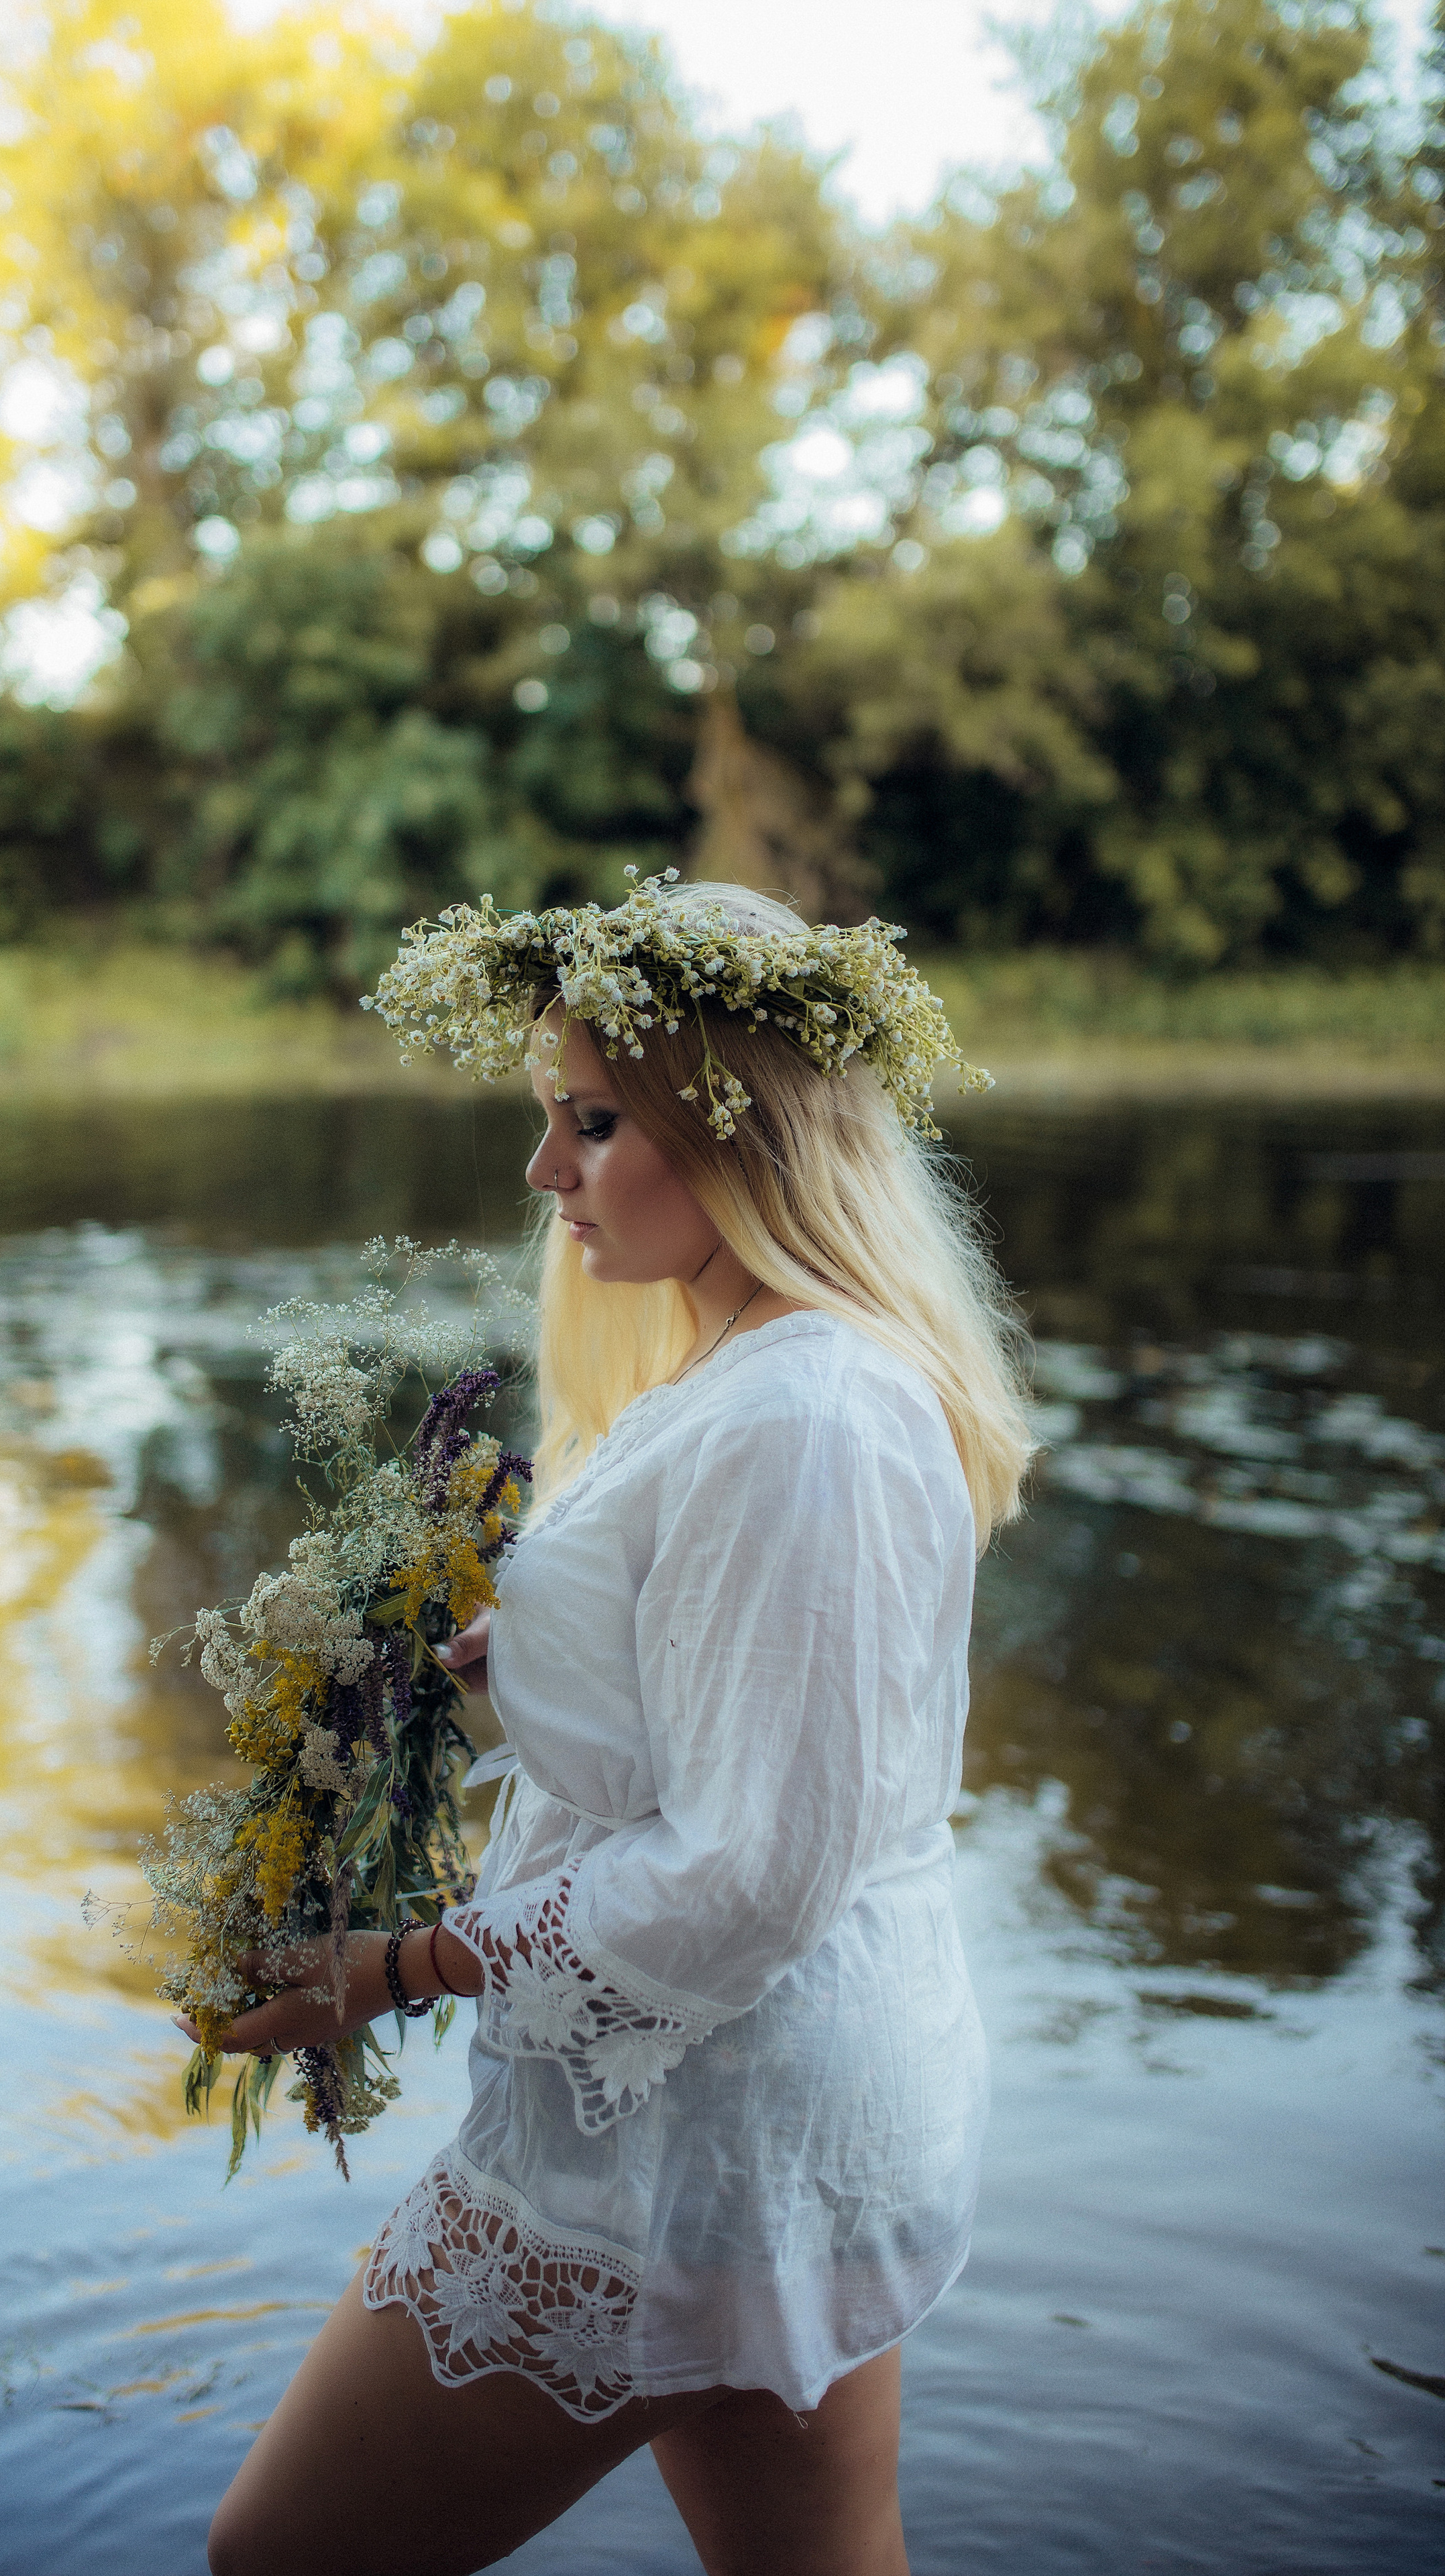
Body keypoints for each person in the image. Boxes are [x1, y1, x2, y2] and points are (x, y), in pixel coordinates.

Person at [183, 881, 1032, 2576]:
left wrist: (402, 1965)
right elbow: (733, 1746)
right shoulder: (758, 1372)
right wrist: (521, 1674)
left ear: (748, 1132)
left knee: (275, 2560)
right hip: (790, 2113)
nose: (543, 1173)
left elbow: (747, 1874)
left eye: (590, 1121)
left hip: (700, 2127)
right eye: (541, 1118)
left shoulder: (807, 1411)